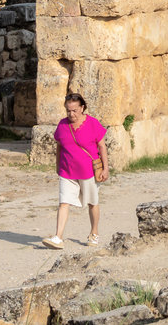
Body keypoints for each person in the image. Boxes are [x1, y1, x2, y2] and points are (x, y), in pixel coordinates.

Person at [41, 92, 108, 249]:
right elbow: (59, 145)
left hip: (89, 172)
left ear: (82, 108)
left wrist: (106, 168)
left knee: (92, 203)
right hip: (67, 171)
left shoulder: (92, 123)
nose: (71, 114)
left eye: (74, 110)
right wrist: (58, 166)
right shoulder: (62, 125)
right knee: (63, 202)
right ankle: (58, 237)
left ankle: (94, 233)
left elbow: (102, 146)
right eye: (68, 111)